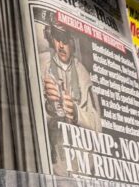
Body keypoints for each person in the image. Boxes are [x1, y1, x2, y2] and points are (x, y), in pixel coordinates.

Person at [39, 17, 100, 175]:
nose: (60, 45)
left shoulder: (83, 73)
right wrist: (48, 108)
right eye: (56, 39)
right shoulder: (40, 64)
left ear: (73, 42)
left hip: (81, 166)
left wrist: (76, 113)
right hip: (51, 164)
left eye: (64, 40)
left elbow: (97, 125)